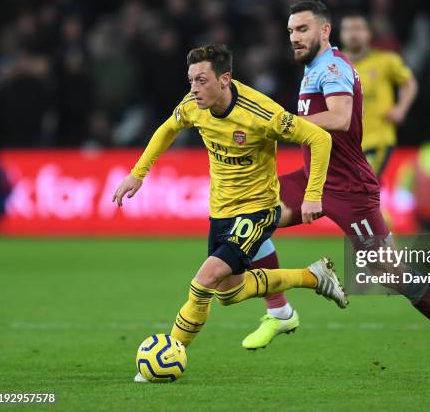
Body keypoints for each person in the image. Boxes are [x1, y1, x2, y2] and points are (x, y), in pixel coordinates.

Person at [243, 1, 430, 375]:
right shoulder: (312, 69)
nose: (294, 37)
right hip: (311, 176)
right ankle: (279, 310)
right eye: (290, 31)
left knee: (388, 271)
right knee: (250, 217)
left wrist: (282, 125)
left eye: (302, 29)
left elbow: (340, 116)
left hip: (349, 187)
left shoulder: (332, 67)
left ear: (324, 31)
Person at [112, 45, 348, 382]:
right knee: (229, 292)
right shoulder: (193, 105)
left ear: (225, 79)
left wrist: (313, 195)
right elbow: (167, 129)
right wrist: (138, 173)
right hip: (220, 211)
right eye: (191, 80)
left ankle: (167, 355)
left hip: (258, 209)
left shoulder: (262, 113)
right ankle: (314, 277)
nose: (194, 88)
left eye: (202, 80)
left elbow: (319, 137)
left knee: (203, 281)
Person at [340, 13, 418, 178]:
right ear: (341, 34)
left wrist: (401, 109)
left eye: (358, 28)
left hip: (377, 139)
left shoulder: (386, 61)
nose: (353, 34)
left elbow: (409, 83)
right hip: (344, 144)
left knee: (360, 187)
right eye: (348, 29)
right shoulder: (332, 65)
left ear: (369, 33)